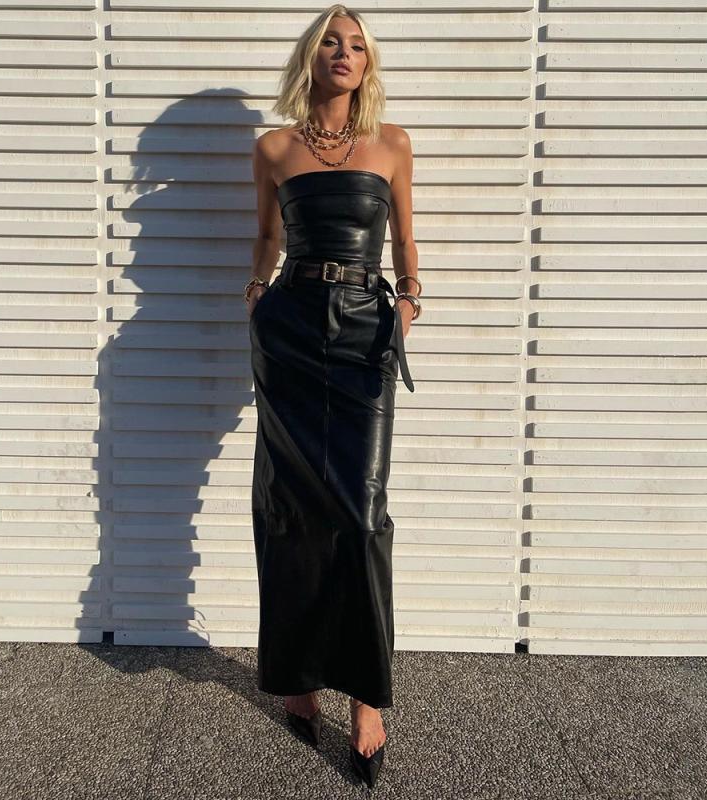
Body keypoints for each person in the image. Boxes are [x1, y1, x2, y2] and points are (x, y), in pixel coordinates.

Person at [245, 4, 421, 788]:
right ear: (310, 58)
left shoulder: (392, 144)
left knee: (361, 511)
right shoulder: (273, 148)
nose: (343, 53)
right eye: (330, 43)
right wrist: (257, 292)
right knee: (288, 506)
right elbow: (267, 237)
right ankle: (297, 680)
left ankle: (368, 700)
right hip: (288, 329)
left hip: (362, 329)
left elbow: (406, 239)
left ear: (366, 63)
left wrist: (408, 301)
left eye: (356, 45)